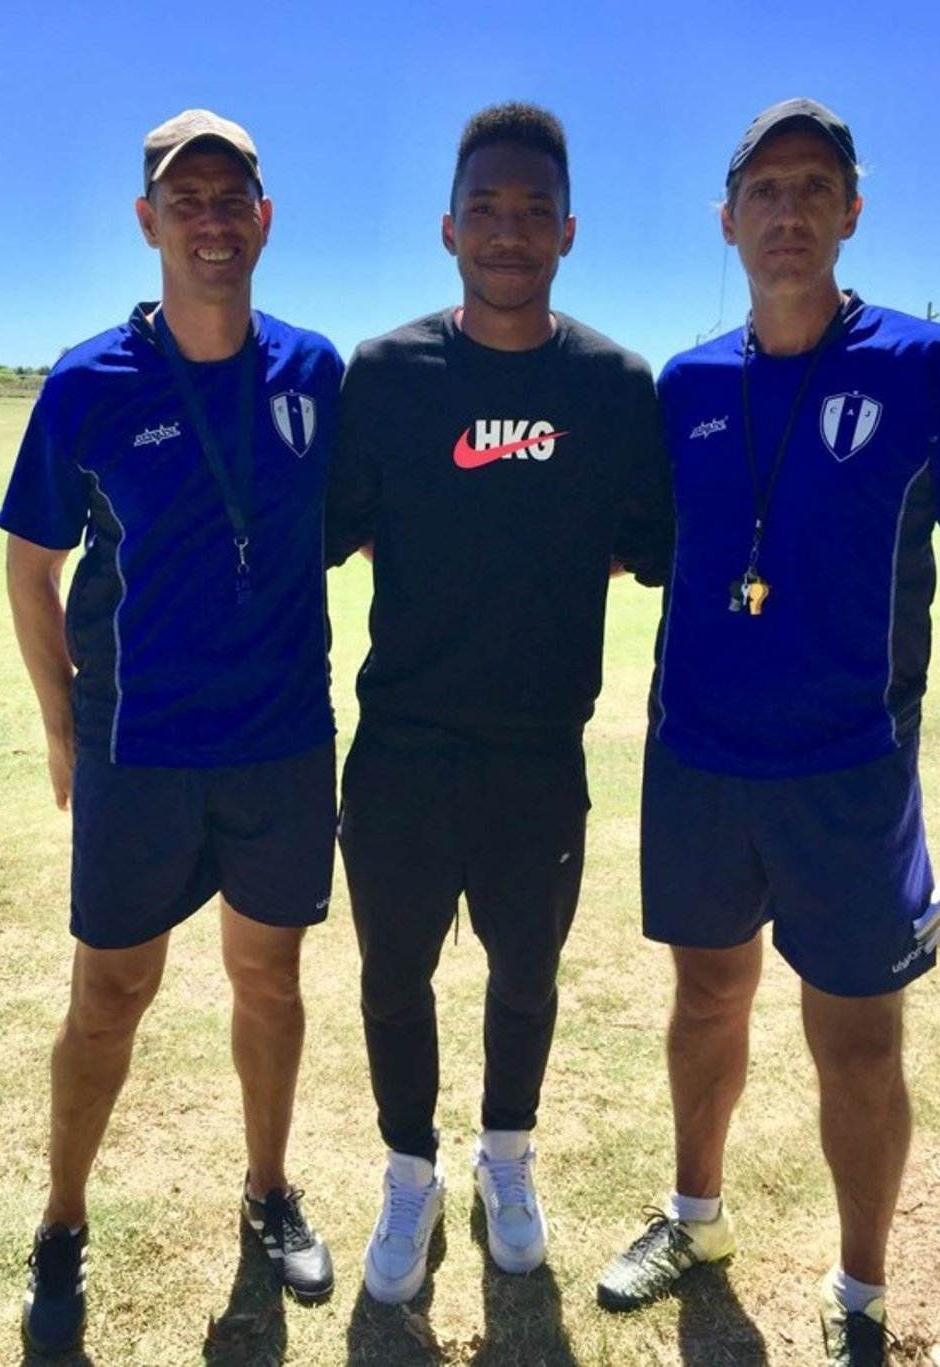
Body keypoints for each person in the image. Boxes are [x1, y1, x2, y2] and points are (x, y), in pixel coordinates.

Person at [595, 98, 940, 1366]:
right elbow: (623, 542)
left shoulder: (925, 367)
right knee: (706, 996)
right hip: (696, 760)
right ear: (727, 219)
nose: (789, 210)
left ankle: (859, 1292)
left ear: (852, 210)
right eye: (765, 189)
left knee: (856, 1036)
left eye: (815, 186)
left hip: (849, 774)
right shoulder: (687, 384)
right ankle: (695, 1218)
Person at [0, 109, 341, 1356]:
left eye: (230, 195)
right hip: (138, 746)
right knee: (109, 997)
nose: (209, 216)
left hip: (283, 745)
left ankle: (266, 1189)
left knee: (271, 977)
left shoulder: (316, 372)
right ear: (148, 221)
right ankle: (62, 1219)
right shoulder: (87, 383)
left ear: (264, 217)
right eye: (183, 198)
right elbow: (30, 569)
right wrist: (58, 729)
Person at [325, 102, 672, 1304]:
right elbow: (335, 529)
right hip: (402, 755)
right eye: (486, 208)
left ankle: (506, 1157)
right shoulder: (384, 375)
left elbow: (648, 544)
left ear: (568, 232)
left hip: (538, 759)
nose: (508, 231)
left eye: (533, 211)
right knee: (392, 979)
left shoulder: (617, 387)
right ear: (447, 227)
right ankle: (410, 1168)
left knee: (527, 974)